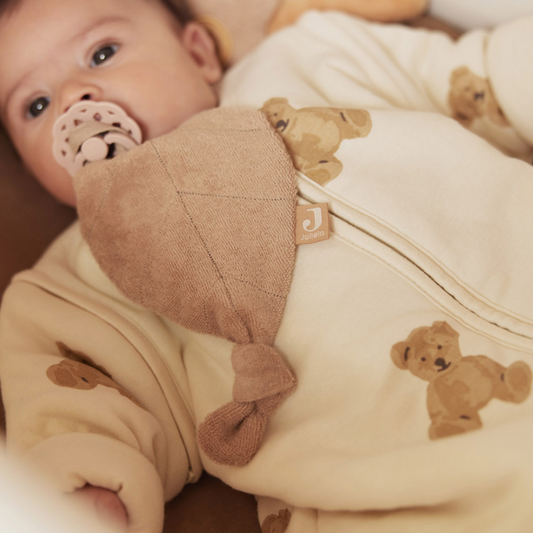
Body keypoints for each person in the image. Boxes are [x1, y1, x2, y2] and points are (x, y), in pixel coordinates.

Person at [1, 0, 533, 532]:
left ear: (199, 54)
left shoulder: (310, 58)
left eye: (102, 53)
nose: (74, 98)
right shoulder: (74, 287)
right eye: (35, 104)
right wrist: (80, 490)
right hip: (420, 489)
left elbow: (487, 77)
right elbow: (73, 410)